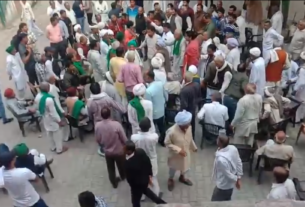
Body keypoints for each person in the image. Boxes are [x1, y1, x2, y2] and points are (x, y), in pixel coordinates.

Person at [124, 140, 166, 207]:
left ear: (129, 151)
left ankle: (161, 203)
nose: (123, 150)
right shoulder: (140, 151)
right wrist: (149, 175)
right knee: (147, 192)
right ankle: (163, 203)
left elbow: (129, 178)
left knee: (135, 201)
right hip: (145, 180)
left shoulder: (128, 164)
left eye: (124, 149)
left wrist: (132, 186)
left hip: (137, 185)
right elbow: (148, 163)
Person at [165, 110, 197, 191]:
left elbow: (190, 138)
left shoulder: (189, 127)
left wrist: (193, 147)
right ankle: (170, 179)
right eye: (186, 124)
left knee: (185, 167)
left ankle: (182, 177)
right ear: (181, 124)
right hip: (175, 155)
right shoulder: (171, 131)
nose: (189, 125)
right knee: (173, 168)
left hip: (186, 153)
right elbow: (167, 143)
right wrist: (179, 150)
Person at [95, 107, 127, 188]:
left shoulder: (98, 126)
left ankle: (113, 182)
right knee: (122, 165)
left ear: (101, 115)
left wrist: (102, 145)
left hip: (107, 151)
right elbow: (123, 138)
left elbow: (98, 139)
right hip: (119, 150)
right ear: (110, 114)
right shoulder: (116, 125)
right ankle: (123, 176)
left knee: (110, 168)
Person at [34, 82, 67, 154]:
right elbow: (53, 112)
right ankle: (59, 149)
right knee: (57, 133)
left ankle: (53, 147)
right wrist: (59, 120)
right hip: (51, 118)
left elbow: (36, 107)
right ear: (47, 88)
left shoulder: (37, 96)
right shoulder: (49, 99)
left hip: (44, 117)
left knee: (49, 132)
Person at [131, 117, 160, 196]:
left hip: (139, 161)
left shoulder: (134, 137)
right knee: (153, 178)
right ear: (149, 127)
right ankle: (155, 194)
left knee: (140, 179)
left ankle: (142, 196)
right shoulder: (154, 136)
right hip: (151, 160)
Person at [211, 130, 243, 201]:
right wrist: (239, 177)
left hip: (223, 186)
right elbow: (239, 162)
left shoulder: (221, 160)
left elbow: (227, 174)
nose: (216, 139)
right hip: (229, 184)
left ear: (220, 143)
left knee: (214, 202)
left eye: (218, 139)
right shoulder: (233, 148)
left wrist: (237, 179)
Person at [223, 63, 248, 134]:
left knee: (226, 117)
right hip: (234, 100)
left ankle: (226, 132)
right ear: (245, 69)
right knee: (233, 118)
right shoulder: (244, 77)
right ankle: (230, 133)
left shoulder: (234, 74)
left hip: (226, 97)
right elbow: (244, 88)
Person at [144, 70, 168, 145]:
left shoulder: (148, 91)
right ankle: (163, 141)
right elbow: (165, 95)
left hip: (154, 113)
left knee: (151, 129)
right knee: (162, 127)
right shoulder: (160, 84)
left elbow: (148, 105)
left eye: (145, 76)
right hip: (161, 109)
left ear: (148, 77)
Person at [180, 72, 201, 138]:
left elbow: (184, 104)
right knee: (192, 124)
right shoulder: (197, 85)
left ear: (185, 79)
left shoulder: (184, 90)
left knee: (186, 126)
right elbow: (199, 97)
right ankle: (192, 137)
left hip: (187, 110)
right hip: (194, 107)